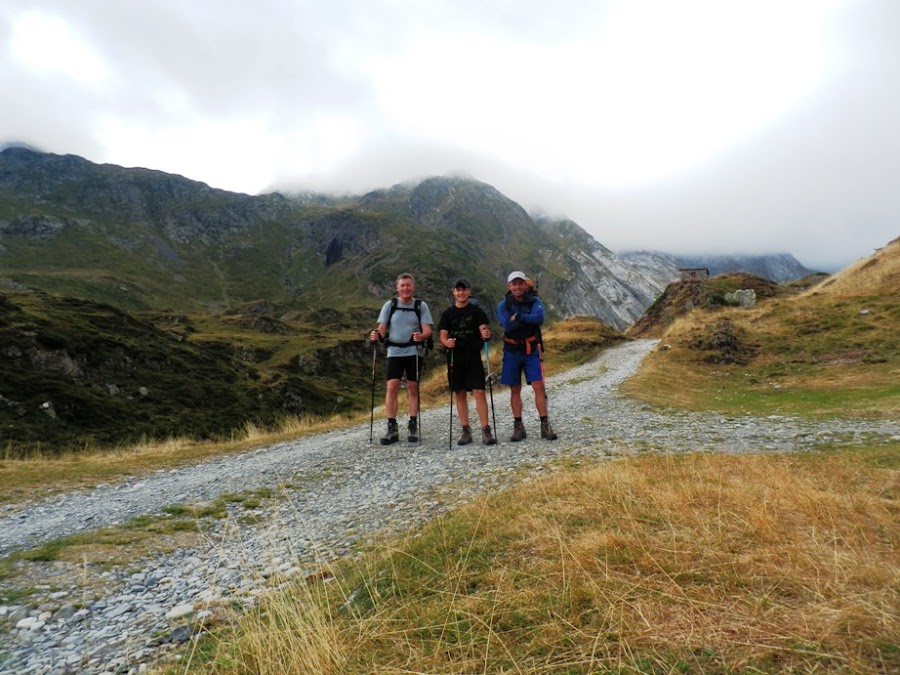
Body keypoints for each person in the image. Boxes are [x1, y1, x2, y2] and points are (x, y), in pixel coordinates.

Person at [369, 273, 433, 444]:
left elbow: (428, 330)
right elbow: (382, 328)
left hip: (414, 351)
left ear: (413, 287)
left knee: (413, 387)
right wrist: (376, 335)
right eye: (402, 285)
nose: (405, 288)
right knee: (392, 387)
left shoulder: (421, 306)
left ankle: (413, 425)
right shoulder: (390, 305)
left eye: (408, 285)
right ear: (397, 288)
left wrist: (421, 336)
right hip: (395, 351)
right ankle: (392, 427)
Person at [497, 270, 558, 441]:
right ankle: (518, 426)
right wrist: (525, 319)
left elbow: (539, 319)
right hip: (512, 350)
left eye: (520, 283)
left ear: (525, 285)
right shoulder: (503, 305)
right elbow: (507, 326)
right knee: (514, 388)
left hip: (530, 349)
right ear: (509, 286)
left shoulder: (534, 301)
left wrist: (519, 317)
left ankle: (545, 425)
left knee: (538, 386)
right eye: (514, 284)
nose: (517, 287)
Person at [438, 278, 496, 446]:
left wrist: (486, 334)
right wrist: (446, 342)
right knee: (460, 393)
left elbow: (484, 329)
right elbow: (442, 334)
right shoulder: (447, 314)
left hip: (472, 355)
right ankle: (465, 430)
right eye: (458, 290)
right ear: (453, 292)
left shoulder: (477, 311)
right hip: (455, 357)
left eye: (464, 289)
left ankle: (486, 429)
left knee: (478, 391)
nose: (461, 292)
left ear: (469, 292)